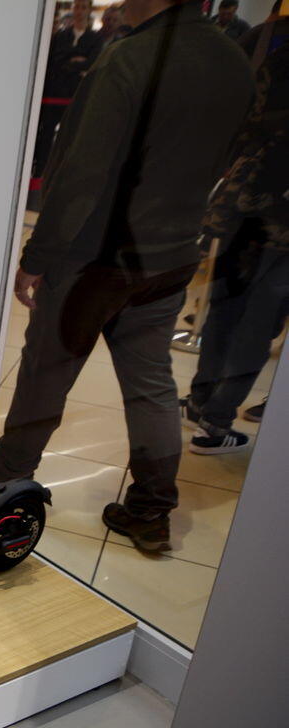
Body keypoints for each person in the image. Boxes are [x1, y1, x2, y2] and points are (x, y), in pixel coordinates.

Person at [0, 0, 254, 552]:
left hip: (97, 260)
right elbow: (229, 156)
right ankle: (152, 508)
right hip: (172, 255)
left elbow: (80, 172)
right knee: (151, 387)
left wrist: (39, 254)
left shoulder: (129, 58)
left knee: (46, 372)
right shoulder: (233, 59)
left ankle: (11, 477)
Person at [182, 13, 289, 452]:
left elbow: (236, 120)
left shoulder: (269, 45)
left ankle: (201, 401)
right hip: (281, 219)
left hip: (242, 199)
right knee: (259, 320)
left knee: (228, 307)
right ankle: (216, 421)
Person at [33, 0, 106, 179]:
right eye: (77, 7)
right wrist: (76, 62)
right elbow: (54, 60)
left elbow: (92, 62)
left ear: (89, 10)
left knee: (72, 136)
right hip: (55, 93)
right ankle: (41, 171)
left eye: (83, 7)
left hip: (76, 94)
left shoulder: (95, 38)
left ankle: (64, 174)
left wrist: (70, 62)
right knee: (46, 134)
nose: (79, 11)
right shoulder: (61, 36)